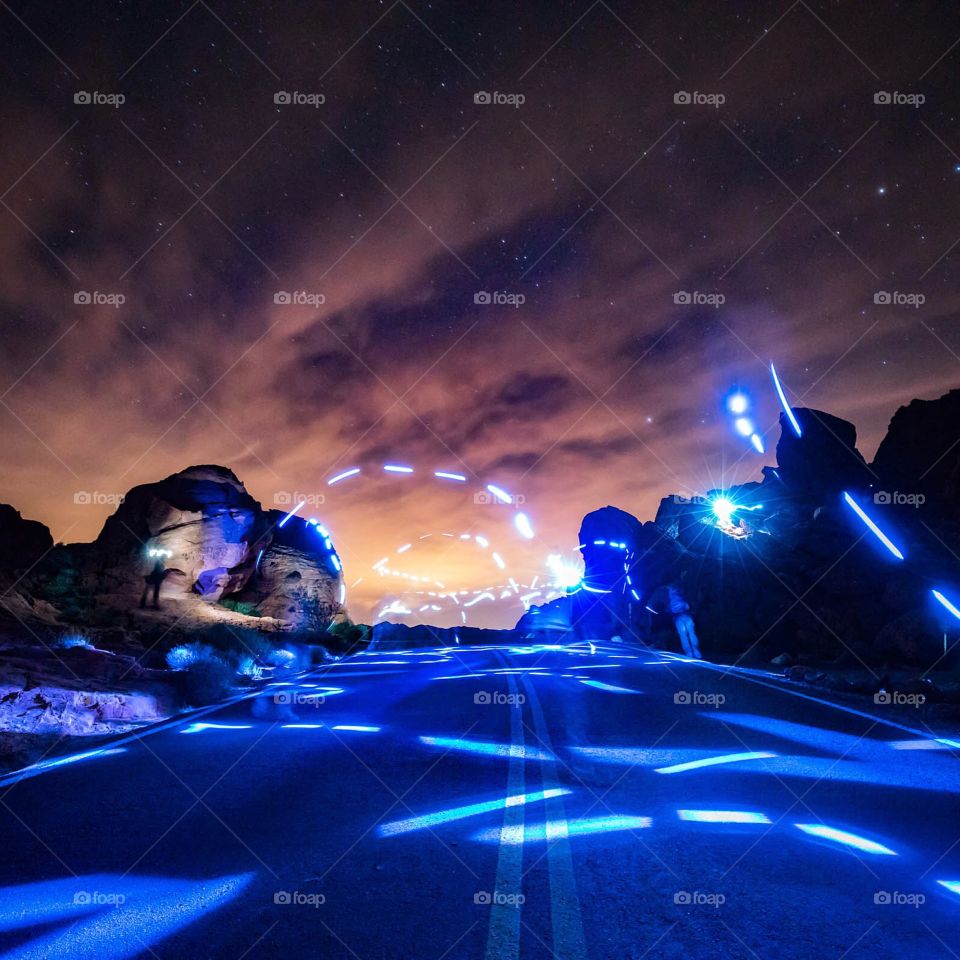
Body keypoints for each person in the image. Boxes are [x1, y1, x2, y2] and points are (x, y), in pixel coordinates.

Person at [668, 583, 701, 659]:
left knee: (684, 635)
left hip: (680, 617)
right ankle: (695, 652)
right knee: (691, 633)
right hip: (686, 616)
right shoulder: (683, 597)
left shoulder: (672, 599)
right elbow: (688, 607)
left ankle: (689, 652)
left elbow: (672, 610)